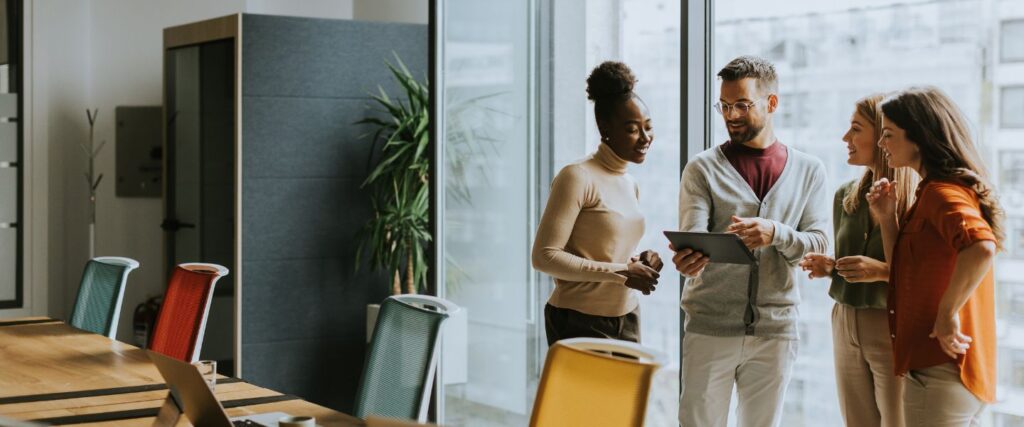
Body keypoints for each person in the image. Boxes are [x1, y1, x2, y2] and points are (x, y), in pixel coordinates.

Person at [671, 55, 830, 427]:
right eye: (724, 106)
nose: (731, 115)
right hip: (710, 326)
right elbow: (694, 238)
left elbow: (819, 244)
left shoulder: (809, 171)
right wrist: (689, 262)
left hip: (776, 330)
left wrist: (775, 233)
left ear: (771, 103)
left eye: (742, 105)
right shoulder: (702, 168)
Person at [867, 86, 1002, 426]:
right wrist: (887, 219)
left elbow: (982, 247)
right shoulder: (930, 193)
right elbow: (902, 273)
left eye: (889, 134)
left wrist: (946, 314)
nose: (882, 143)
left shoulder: (941, 194)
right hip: (944, 371)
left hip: (940, 370)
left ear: (919, 137)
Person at [800, 94, 918, 427]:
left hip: (889, 324)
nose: (845, 138)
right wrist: (830, 268)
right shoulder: (845, 197)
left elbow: (923, 277)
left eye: (855, 129)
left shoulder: (915, 201)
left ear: (883, 135)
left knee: (897, 421)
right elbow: (850, 264)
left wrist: (881, 271)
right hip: (844, 319)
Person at [532, 61, 663, 346]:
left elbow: (605, 249)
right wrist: (622, 272)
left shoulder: (630, 183)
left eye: (648, 127)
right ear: (605, 127)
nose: (645, 138)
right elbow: (544, 257)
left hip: (628, 316)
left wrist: (638, 261)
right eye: (632, 129)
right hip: (578, 320)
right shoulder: (577, 176)